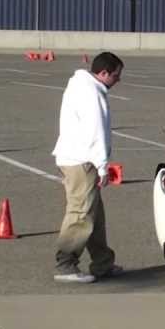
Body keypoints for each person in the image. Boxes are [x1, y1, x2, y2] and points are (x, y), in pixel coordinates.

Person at [50, 52, 124, 283]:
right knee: (81, 213)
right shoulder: (91, 93)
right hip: (82, 161)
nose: (118, 80)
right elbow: (95, 132)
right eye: (116, 75)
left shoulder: (80, 85)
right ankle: (66, 264)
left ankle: (103, 263)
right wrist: (103, 166)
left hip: (75, 157)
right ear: (103, 73)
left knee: (95, 215)